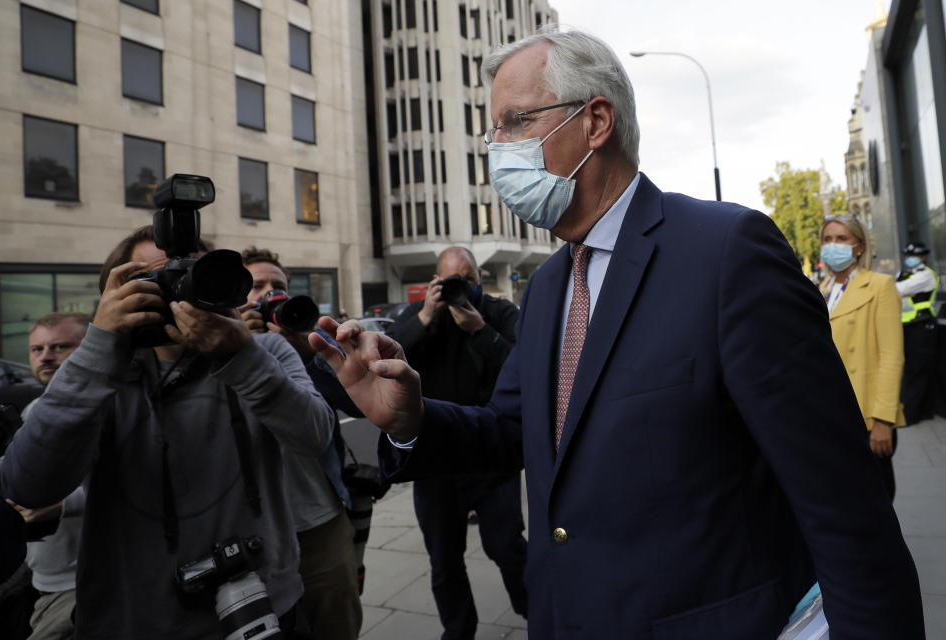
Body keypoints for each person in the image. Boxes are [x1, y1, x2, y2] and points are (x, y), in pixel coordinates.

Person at [308, 28, 925, 639]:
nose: (496, 148)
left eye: (515, 122)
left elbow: (844, 505)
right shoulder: (549, 285)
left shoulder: (727, 254)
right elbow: (514, 429)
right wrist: (410, 417)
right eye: (491, 131)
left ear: (595, 121)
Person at [0, 226, 335, 639]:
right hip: (135, 617)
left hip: (264, 603)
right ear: (115, 293)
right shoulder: (97, 370)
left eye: (188, 276)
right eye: (155, 281)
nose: (177, 295)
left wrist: (240, 356)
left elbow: (316, 437)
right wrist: (100, 346)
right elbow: (29, 483)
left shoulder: (262, 351)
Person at [387, 247, 527, 640]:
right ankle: (459, 631)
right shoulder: (420, 316)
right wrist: (426, 316)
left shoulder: (499, 314)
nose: (458, 286)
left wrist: (480, 331)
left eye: (466, 279)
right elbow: (389, 355)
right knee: (445, 561)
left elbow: (525, 367)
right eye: (449, 280)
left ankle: (538, 611)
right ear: (434, 282)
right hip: (437, 461)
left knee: (507, 547)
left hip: (491, 454)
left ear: (479, 277)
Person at [240, 247, 362, 640]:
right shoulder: (219, 344)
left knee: (335, 624)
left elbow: (355, 407)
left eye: (278, 286)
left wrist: (307, 354)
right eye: (256, 286)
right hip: (248, 532)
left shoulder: (309, 350)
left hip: (318, 522)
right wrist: (239, 345)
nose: (268, 293)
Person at [819, 215, 904, 499]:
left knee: (874, 503)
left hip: (867, 418)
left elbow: (892, 357)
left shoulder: (880, 286)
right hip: (830, 416)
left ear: (860, 247)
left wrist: (883, 419)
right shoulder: (822, 291)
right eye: (827, 239)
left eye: (842, 239)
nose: (833, 245)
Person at [18, 313, 89, 640]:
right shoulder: (35, 408)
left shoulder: (107, 403)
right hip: (45, 578)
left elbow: (136, 483)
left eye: (60, 346)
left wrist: (62, 505)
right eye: (37, 349)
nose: (45, 356)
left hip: (85, 583)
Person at [896, 241, 940, 425]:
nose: (911, 259)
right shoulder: (903, 274)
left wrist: (903, 291)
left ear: (923, 257)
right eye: (908, 255)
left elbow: (896, 289)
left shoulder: (926, 276)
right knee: (910, 370)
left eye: (915, 255)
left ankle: (913, 415)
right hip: (907, 327)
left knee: (918, 370)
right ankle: (919, 410)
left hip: (922, 327)